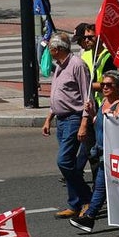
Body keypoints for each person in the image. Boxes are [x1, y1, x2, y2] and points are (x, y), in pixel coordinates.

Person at [69, 70, 119, 233]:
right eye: (103, 84)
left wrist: (117, 117)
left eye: (109, 85)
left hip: (113, 152)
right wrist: (91, 113)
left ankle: (90, 217)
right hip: (101, 149)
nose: (104, 87)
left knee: (102, 186)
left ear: (117, 87)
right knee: (105, 186)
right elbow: (99, 122)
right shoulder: (104, 101)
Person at [42, 34, 94, 220]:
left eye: (50, 48)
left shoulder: (77, 65)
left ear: (58, 49)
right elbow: (57, 94)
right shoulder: (59, 67)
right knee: (69, 163)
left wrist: (83, 123)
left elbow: (87, 96)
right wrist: (49, 117)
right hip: (61, 120)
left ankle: (87, 197)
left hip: (74, 118)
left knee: (63, 161)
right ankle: (74, 203)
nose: (48, 51)